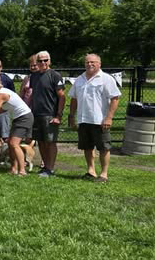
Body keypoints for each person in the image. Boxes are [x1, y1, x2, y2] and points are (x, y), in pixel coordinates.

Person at [68, 54, 121, 182]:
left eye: (93, 62)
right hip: (83, 119)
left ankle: (104, 174)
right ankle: (91, 171)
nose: (90, 64)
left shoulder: (106, 79)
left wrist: (109, 118)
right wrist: (71, 116)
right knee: (87, 147)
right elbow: (74, 98)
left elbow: (115, 98)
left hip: (100, 120)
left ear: (99, 64)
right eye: (87, 62)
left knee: (103, 147)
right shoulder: (79, 79)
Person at [0, 76, 34, 175]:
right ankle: (14, 168)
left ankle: (22, 171)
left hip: (24, 117)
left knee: (14, 144)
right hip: (18, 118)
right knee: (10, 143)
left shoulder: (2, 94)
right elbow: (4, 109)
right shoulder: (2, 92)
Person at [30, 51, 65, 178]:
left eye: (45, 60)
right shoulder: (34, 76)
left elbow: (61, 96)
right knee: (41, 141)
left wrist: (58, 115)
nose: (43, 63)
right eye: (40, 61)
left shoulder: (55, 75)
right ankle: (45, 167)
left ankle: (51, 168)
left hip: (50, 114)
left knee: (50, 142)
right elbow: (32, 95)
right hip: (36, 114)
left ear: (49, 61)